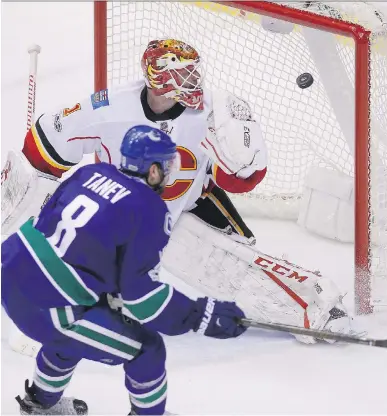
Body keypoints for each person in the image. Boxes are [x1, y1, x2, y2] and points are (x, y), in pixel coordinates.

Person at [2, 38, 352, 350]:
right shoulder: (109, 109)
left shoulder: (217, 110)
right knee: (96, 262)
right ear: (159, 80)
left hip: (194, 201)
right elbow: (43, 147)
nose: (194, 82)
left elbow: (242, 181)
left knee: (236, 262)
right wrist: (41, 192)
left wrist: (243, 161)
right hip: (129, 215)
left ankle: (308, 301)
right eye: (184, 76)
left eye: (194, 73)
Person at [1, 125, 247, 416]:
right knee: (146, 348)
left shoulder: (90, 173)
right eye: (168, 165)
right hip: (50, 306)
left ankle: (38, 406)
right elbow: (143, 301)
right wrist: (201, 314)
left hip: (11, 273)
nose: (170, 173)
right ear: (153, 171)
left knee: (75, 331)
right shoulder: (149, 208)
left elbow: (50, 222)